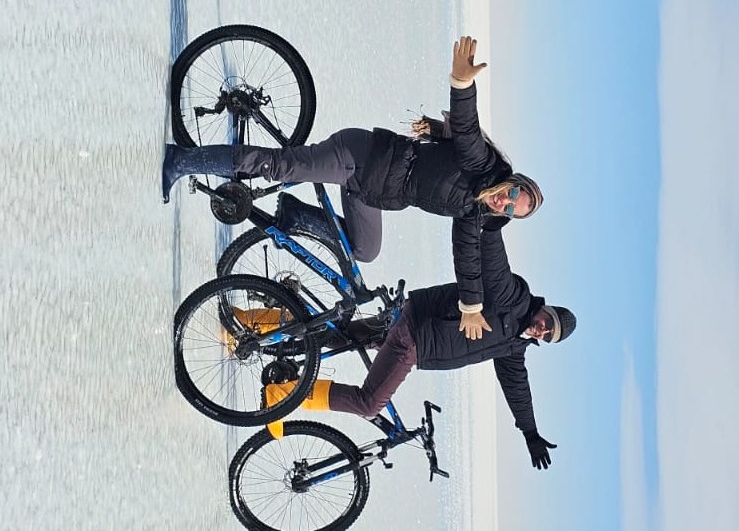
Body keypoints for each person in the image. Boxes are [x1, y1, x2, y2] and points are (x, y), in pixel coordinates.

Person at [163, 37, 541, 339]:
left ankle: (295, 215)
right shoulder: (481, 165)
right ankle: (182, 160)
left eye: (511, 209)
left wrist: (471, 307)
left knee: (366, 250)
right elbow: (467, 127)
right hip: (361, 156)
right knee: (278, 166)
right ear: (512, 182)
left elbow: (468, 258)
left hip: (370, 192)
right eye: (512, 194)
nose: (504, 202)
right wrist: (461, 83)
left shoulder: (472, 212)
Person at [263, 224, 576, 471]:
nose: (543, 329)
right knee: (369, 403)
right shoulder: (516, 298)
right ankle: (284, 395)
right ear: (545, 309)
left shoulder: (515, 345)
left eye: (548, 335)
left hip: (412, 323)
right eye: (547, 322)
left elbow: (517, 387)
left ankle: (257, 326)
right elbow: (494, 265)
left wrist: (530, 432)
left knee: (340, 334)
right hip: (415, 335)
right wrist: (493, 227)